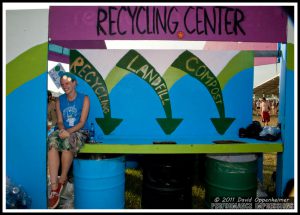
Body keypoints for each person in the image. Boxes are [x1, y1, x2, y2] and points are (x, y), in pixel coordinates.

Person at [47, 72, 90, 209]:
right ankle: (54, 187)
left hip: (78, 131)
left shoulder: (84, 99)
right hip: (63, 130)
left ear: (74, 83)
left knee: (68, 141)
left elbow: (82, 122)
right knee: (52, 141)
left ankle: (63, 179)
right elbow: (59, 121)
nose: (65, 86)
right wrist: (61, 130)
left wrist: (68, 132)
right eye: (62, 84)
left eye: (67, 83)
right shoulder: (59, 100)